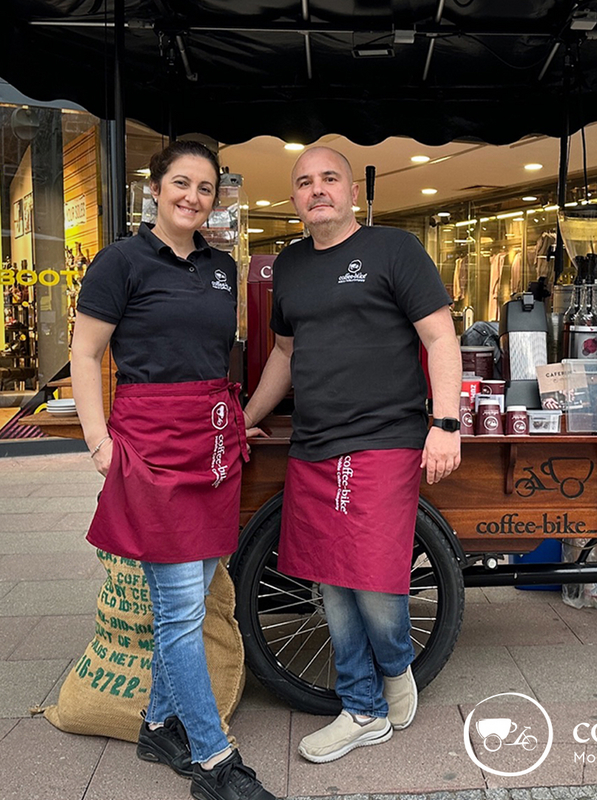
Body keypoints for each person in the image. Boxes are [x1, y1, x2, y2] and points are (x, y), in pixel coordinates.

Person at [243, 146, 462, 763]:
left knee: (371, 577)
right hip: (314, 442)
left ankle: (391, 673)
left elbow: (439, 334)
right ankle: (364, 704)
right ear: (295, 199)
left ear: (353, 193)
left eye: (329, 179)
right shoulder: (288, 266)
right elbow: (284, 355)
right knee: (329, 580)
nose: (317, 190)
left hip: (384, 438)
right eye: (304, 182)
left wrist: (446, 423)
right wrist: (244, 419)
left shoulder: (395, 250)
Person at [71, 140, 275, 800]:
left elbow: (213, 354)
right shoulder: (120, 261)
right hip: (149, 443)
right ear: (155, 187)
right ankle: (214, 759)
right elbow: (84, 352)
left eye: (206, 188)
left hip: (209, 442)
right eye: (181, 183)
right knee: (182, 609)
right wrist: (98, 442)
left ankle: (159, 724)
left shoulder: (221, 266)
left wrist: (236, 419)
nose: (193, 196)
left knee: (188, 594)